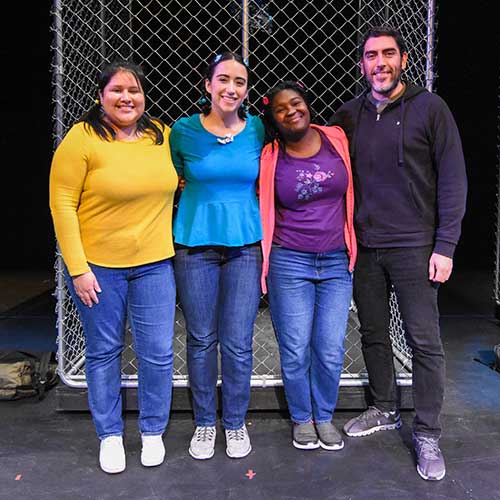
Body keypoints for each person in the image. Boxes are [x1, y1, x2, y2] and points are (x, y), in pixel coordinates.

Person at [329, 25, 467, 480]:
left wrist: (445, 245)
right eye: (371, 55)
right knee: (372, 333)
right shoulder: (349, 115)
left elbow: (453, 180)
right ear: (362, 64)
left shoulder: (431, 108)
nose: (380, 63)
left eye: (388, 54)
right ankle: (385, 407)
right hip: (365, 246)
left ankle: (427, 433)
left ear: (404, 60)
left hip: (416, 246)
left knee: (423, 341)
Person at [49, 60, 178, 474]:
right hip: (98, 268)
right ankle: (109, 435)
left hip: (154, 265)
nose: (127, 98)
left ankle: (153, 430)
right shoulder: (82, 138)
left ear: (144, 96)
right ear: (101, 96)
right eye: (117, 90)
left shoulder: (162, 135)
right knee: (104, 352)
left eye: (134, 90)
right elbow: (62, 204)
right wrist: (78, 268)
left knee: (157, 353)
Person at [169, 51, 264, 460]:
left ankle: (235, 423)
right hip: (195, 248)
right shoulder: (183, 131)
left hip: (245, 248)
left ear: (246, 90)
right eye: (223, 79)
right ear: (208, 85)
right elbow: (172, 177)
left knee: (239, 342)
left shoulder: (258, 129)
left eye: (239, 82)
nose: (231, 88)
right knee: (202, 339)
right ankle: (206, 422)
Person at [259, 81, 356, 450]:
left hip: (335, 260)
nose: (291, 111)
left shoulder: (336, 139)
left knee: (329, 348)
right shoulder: (270, 155)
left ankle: (325, 415)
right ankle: (303, 417)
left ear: (307, 104)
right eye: (281, 109)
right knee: (296, 346)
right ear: (273, 119)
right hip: (289, 260)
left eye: (296, 103)